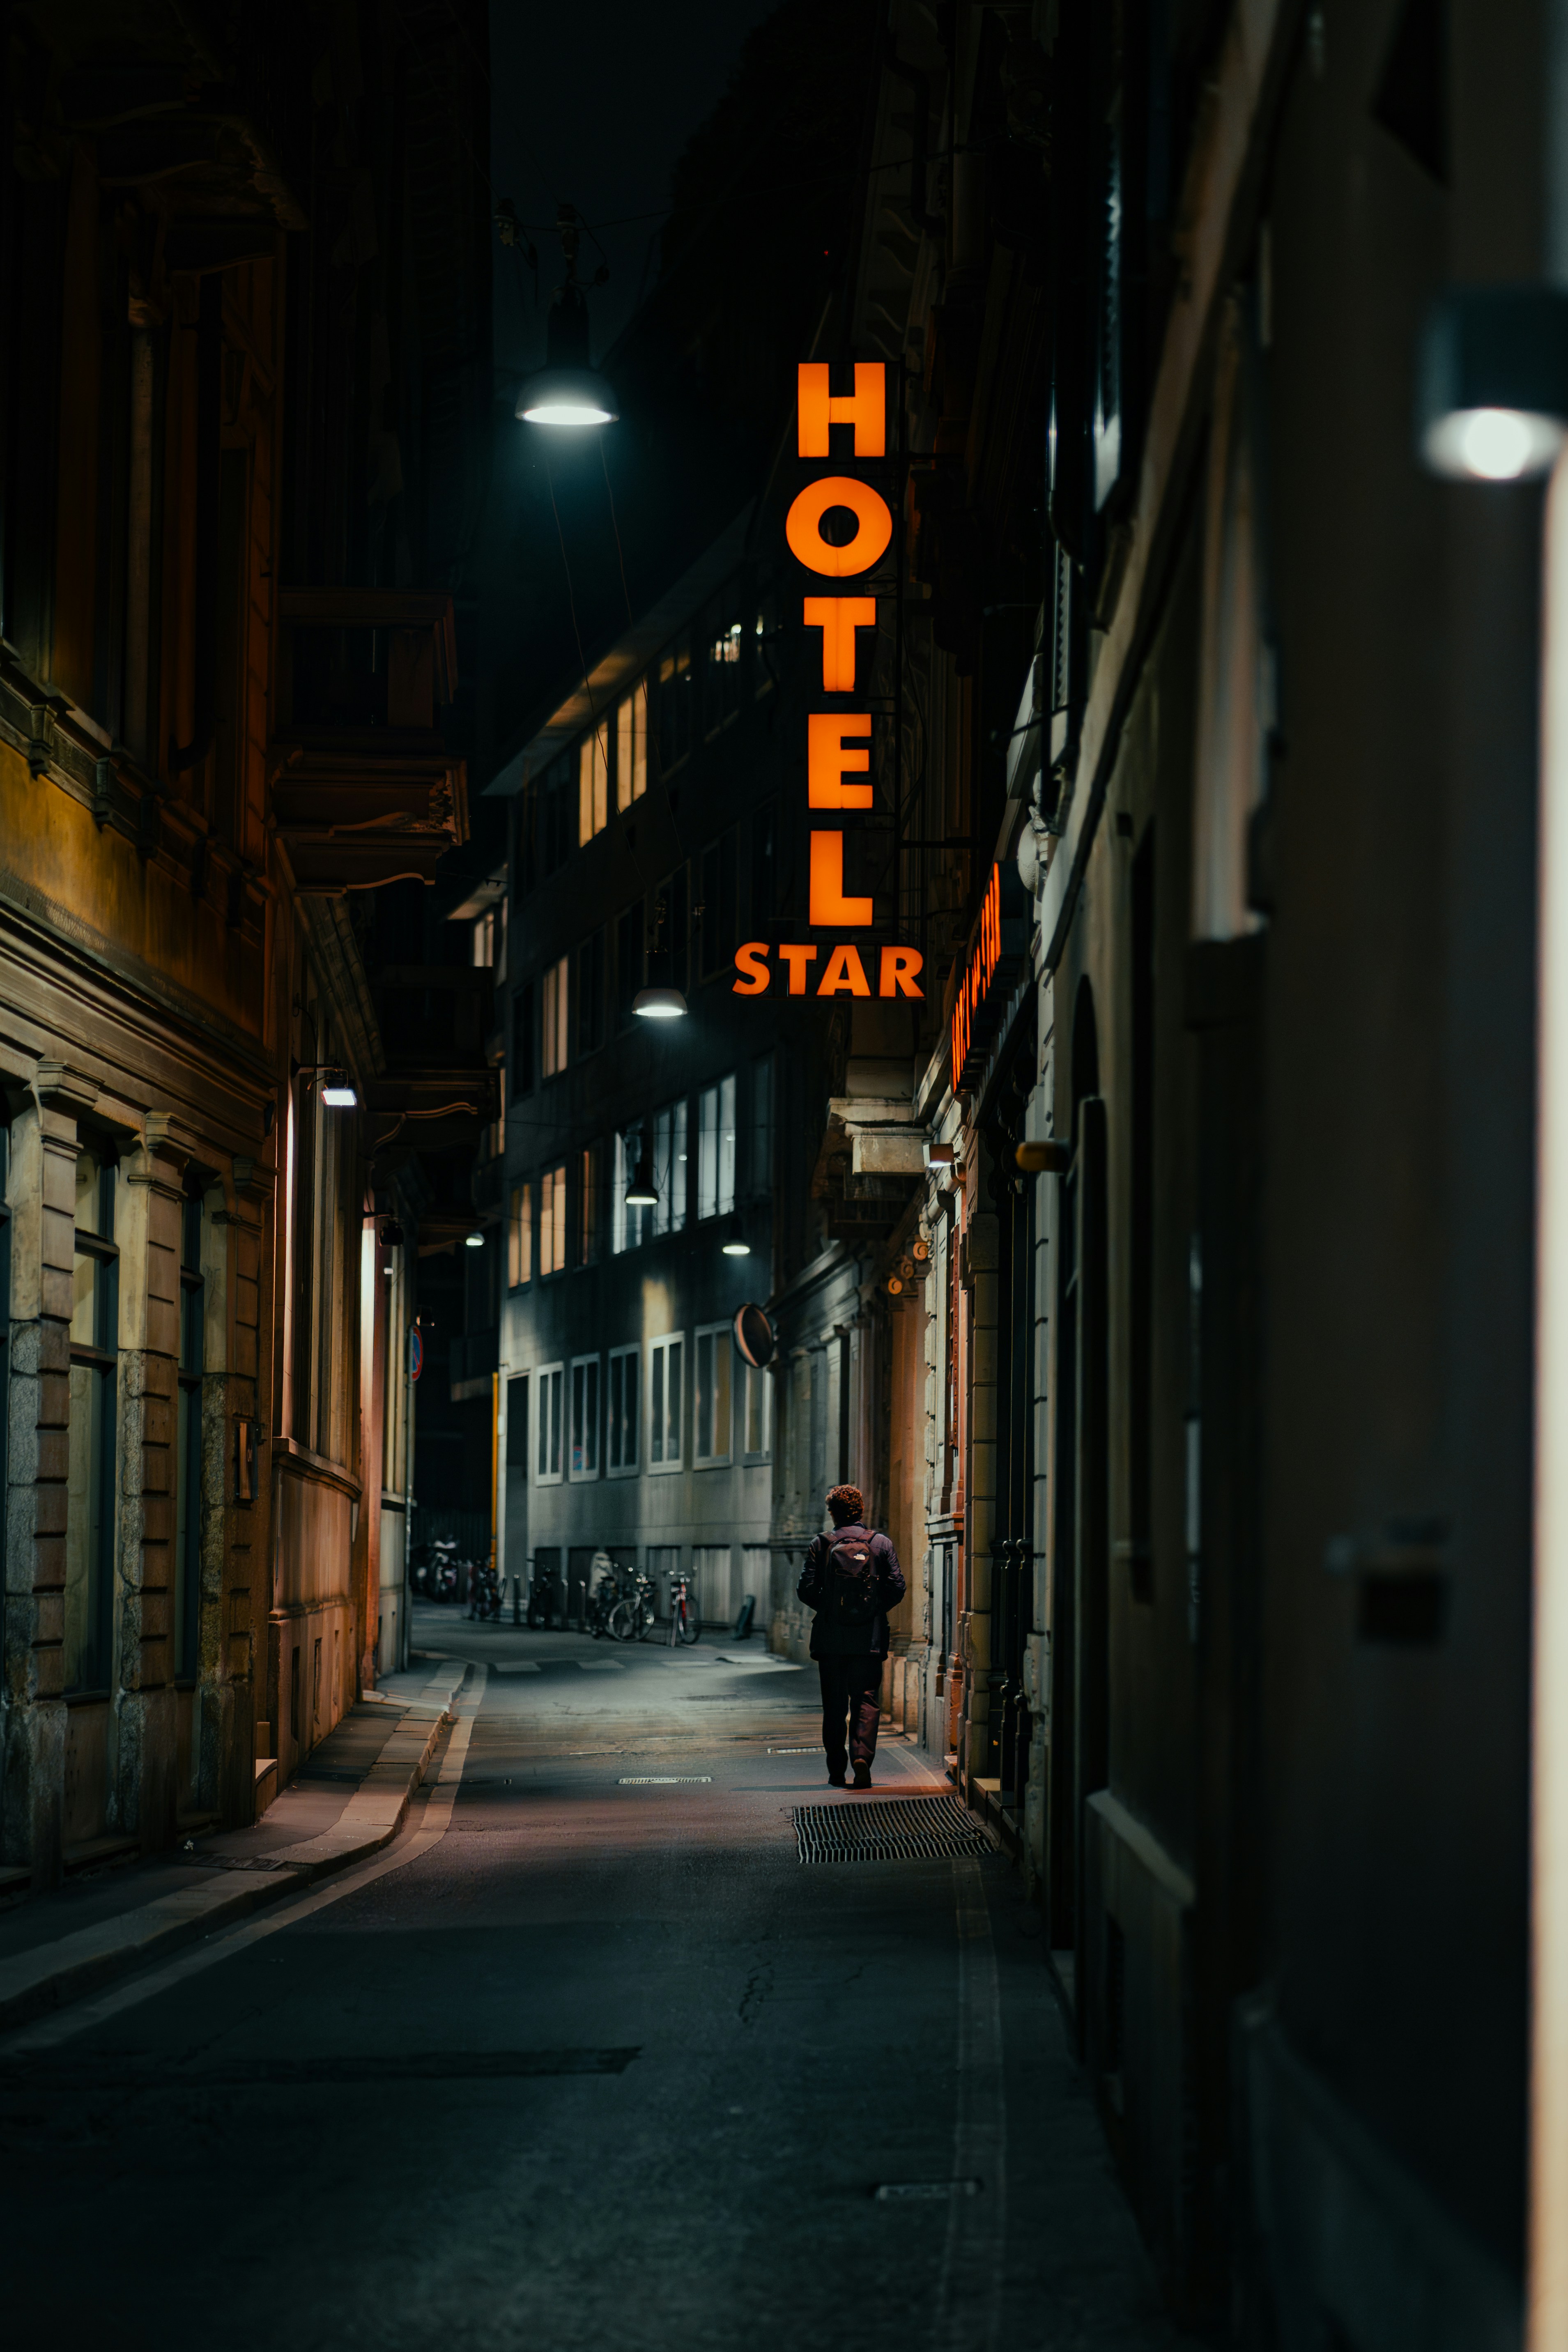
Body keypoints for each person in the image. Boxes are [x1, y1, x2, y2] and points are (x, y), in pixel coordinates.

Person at [797, 1483, 906, 1789]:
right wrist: (873, 1609)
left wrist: (831, 1608)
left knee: (834, 1704)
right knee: (866, 1700)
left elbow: (805, 1589)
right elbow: (898, 1585)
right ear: (861, 1510)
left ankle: (836, 1770)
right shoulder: (880, 1543)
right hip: (868, 1639)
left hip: (831, 1640)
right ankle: (861, 1757)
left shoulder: (822, 1543)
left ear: (833, 1512)